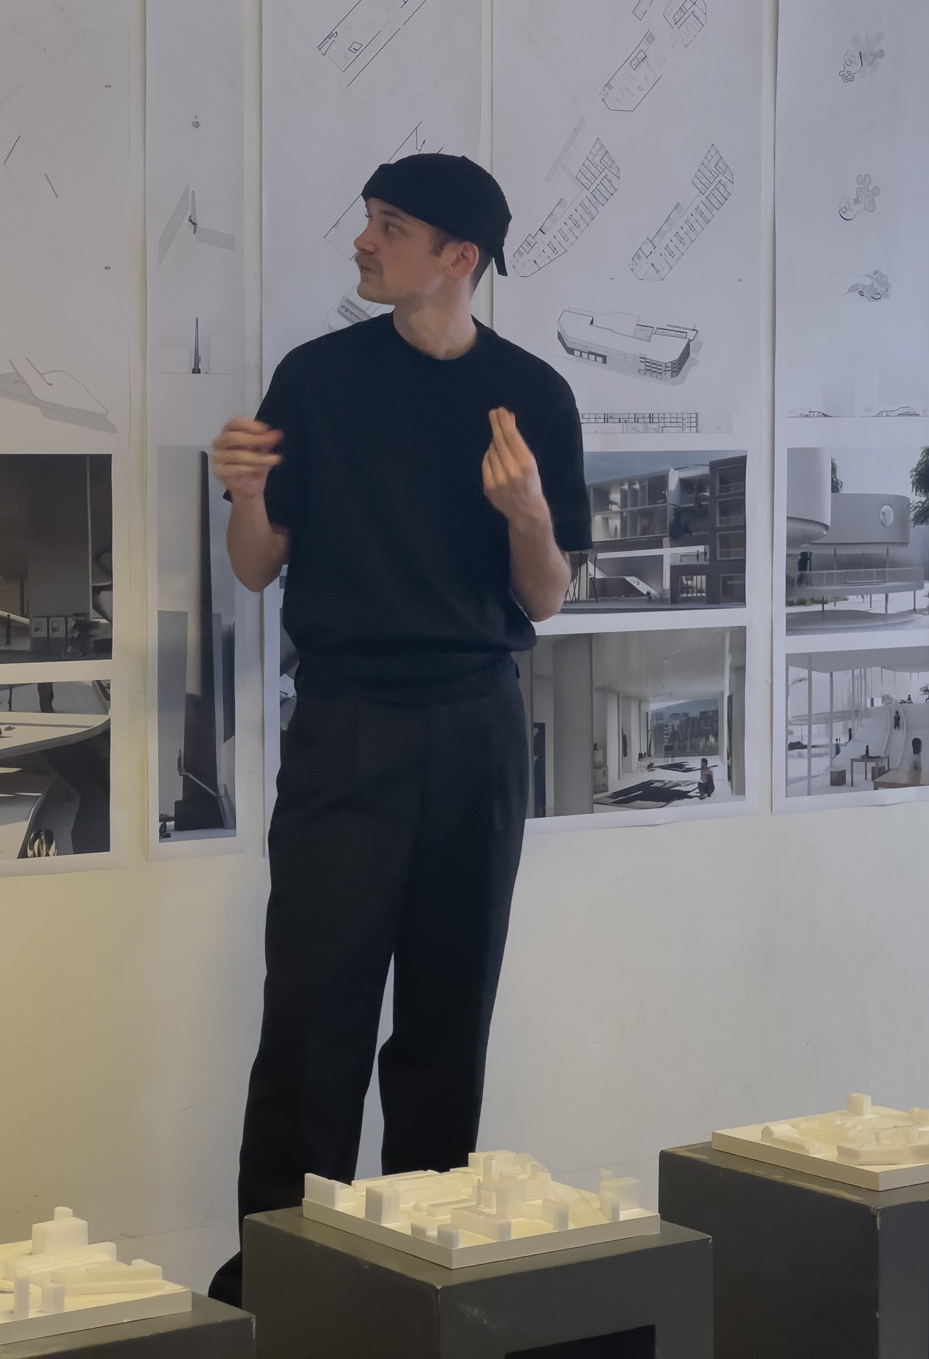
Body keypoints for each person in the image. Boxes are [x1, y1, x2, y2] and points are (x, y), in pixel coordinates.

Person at [205, 153, 589, 1307]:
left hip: (476, 730)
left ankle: (423, 1280)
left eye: (389, 226)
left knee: (446, 1021)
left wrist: (526, 513)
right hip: (347, 723)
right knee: (309, 1022)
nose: (364, 243)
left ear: (457, 257)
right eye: (369, 221)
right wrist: (246, 494)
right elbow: (257, 567)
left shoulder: (534, 395)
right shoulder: (317, 380)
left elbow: (545, 598)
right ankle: (281, 1286)